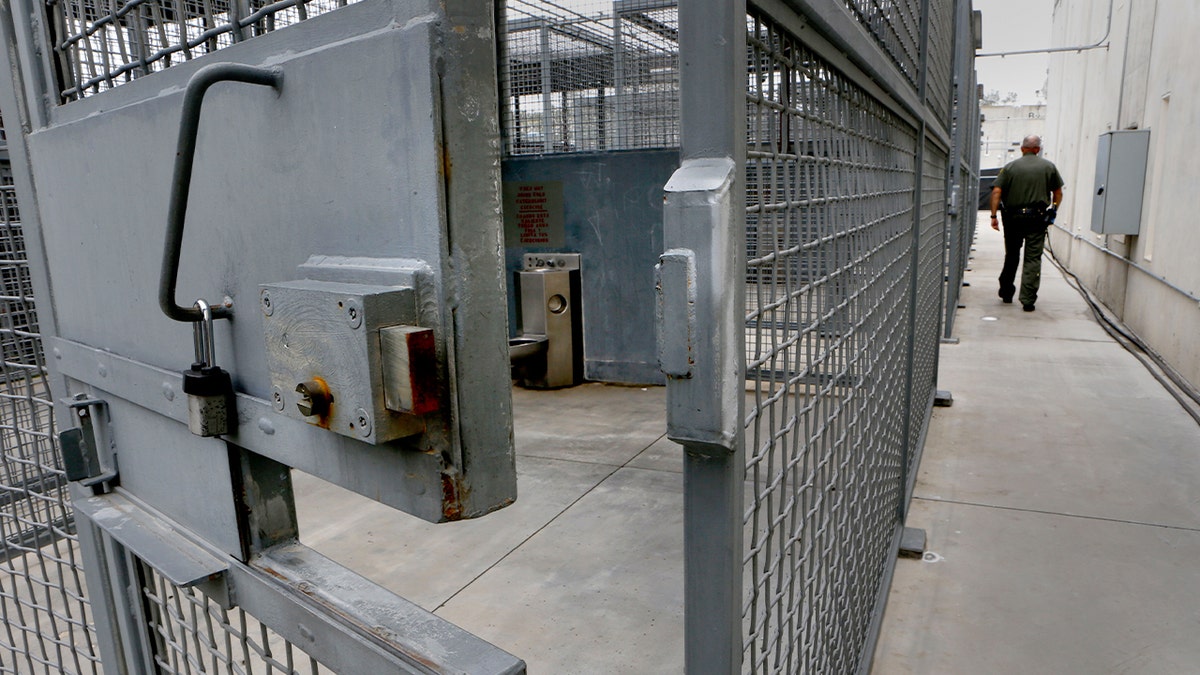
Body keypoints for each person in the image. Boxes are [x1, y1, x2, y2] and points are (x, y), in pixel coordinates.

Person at [989, 135, 1064, 312]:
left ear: (1022, 149)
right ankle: (1028, 300)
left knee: (1012, 255)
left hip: (1013, 218)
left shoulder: (1010, 167)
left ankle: (1006, 291)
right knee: (1033, 258)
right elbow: (1058, 193)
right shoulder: (1049, 167)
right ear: (1038, 149)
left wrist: (993, 216)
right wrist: (1053, 209)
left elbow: (997, 191)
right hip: (1037, 218)